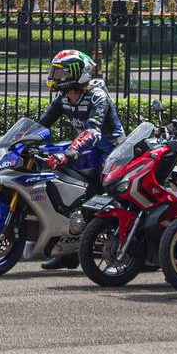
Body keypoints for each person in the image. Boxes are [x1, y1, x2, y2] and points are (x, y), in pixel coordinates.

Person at [37, 49, 124, 270]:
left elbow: (94, 131)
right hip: (85, 149)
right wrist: (16, 142)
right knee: (67, 193)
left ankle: (122, 243)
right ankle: (68, 251)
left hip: (110, 149)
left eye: (60, 73)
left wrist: (70, 150)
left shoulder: (97, 96)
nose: (54, 78)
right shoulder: (63, 98)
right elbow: (41, 124)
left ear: (77, 74)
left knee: (103, 191)